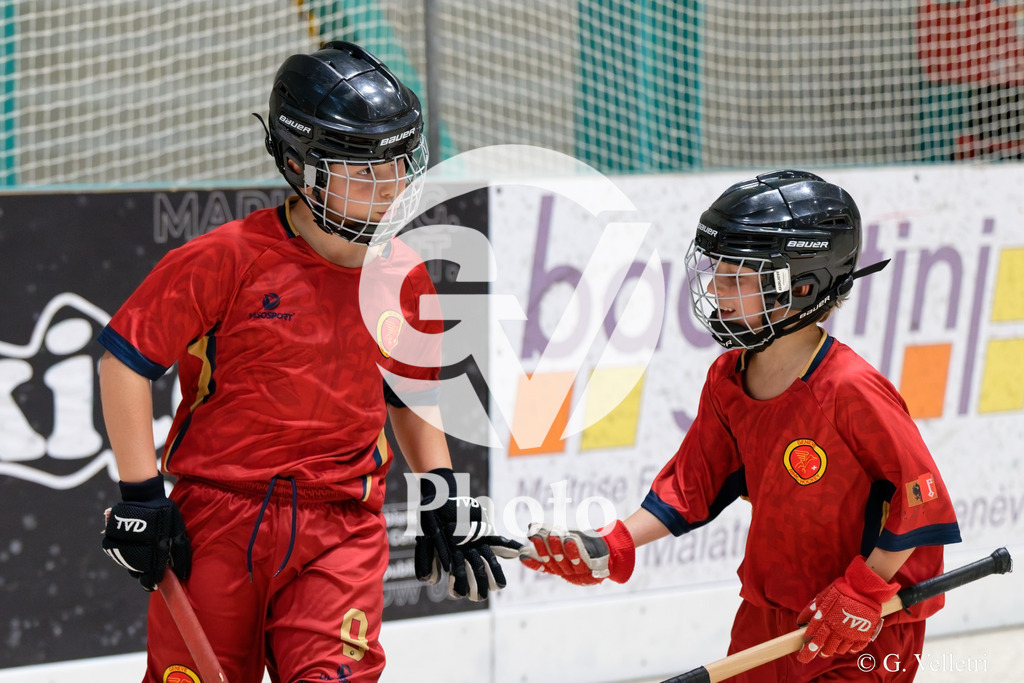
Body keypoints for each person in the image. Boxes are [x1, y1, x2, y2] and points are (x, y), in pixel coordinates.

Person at [98, 41, 518, 683]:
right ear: (299, 166)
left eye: (400, 166)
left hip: (342, 529)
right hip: (217, 522)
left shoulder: (405, 277)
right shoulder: (226, 260)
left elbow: (409, 396)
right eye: (364, 171)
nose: (391, 189)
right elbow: (125, 362)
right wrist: (140, 497)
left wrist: (441, 491)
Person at [520, 170, 962, 681]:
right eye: (716, 272)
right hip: (770, 619)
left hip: (864, 622)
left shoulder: (849, 388)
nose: (716, 290)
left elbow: (923, 499)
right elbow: (693, 486)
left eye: (737, 277)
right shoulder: (728, 377)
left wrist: (865, 588)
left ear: (801, 284)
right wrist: (615, 541)